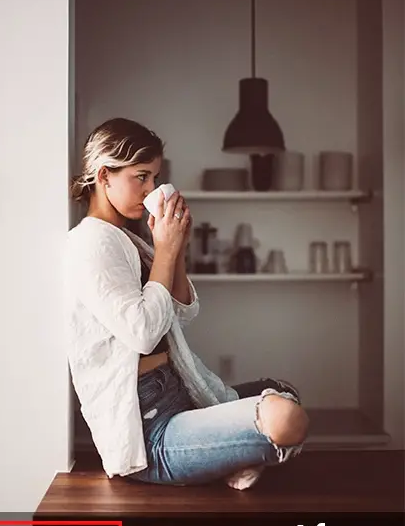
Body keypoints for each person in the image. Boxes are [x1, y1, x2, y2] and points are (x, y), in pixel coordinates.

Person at [65, 117, 309, 490]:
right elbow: (144, 334)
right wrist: (164, 248)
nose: (151, 188)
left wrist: (175, 247)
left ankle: (229, 454)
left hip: (177, 392)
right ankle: (232, 455)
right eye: (141, 177)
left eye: (155, 177)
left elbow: (182, 311)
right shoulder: (90, 242)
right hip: (150, 431)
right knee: (286, 417)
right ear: (104, 176)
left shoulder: (127, 239)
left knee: (282, 389)